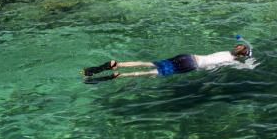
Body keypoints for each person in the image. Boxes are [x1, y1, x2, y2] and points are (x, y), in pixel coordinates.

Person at [82, 43, 252, 83]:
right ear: (242, 56)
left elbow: (236, 50)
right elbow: (245, 66)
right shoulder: (231, 60)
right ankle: (119, 75)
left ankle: (116, 64)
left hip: (187, 56)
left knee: (149, 63)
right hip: (191, 66)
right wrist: (250, 62)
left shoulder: (226, 52)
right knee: (150, 73)